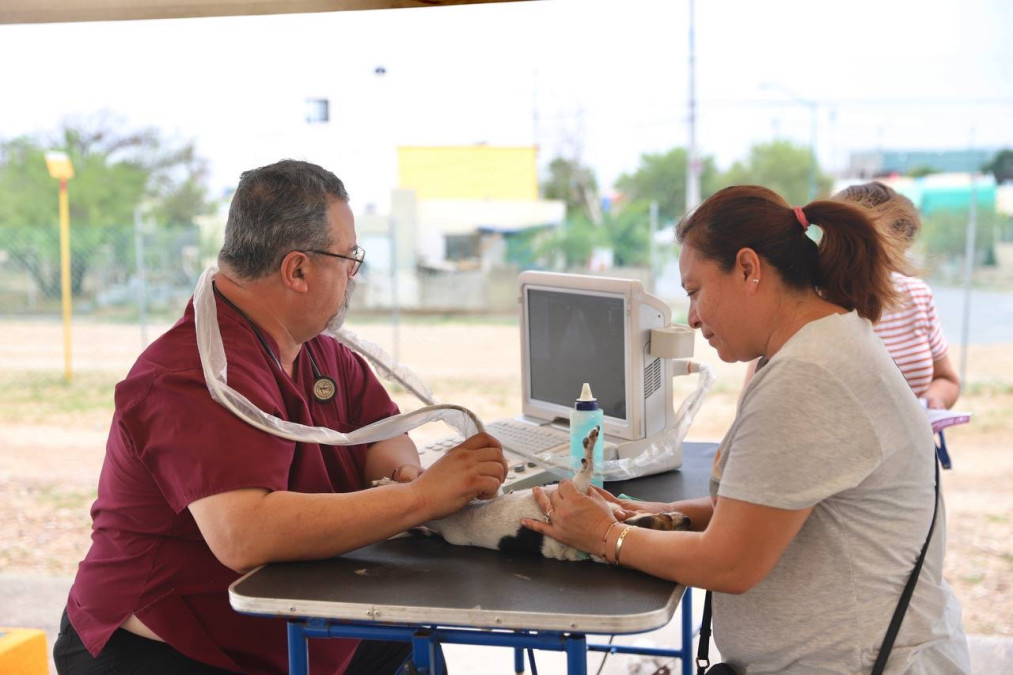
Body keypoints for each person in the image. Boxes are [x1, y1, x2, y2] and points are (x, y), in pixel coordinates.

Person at [54, 159, 508, 674]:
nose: (352, 274)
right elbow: (245, 537)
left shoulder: (315, 347)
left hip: (296, 622)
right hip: (172, 651)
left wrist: (399, 473)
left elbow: (382, 430)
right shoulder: (191, 374)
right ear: (297, 270)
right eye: (349, 257)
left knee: (414, 644)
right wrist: (419, 499)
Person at [523, 185, 970, 673]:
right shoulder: (822, 345)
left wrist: (606, 537)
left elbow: (729, 563)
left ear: (748, 269)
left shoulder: (810, 375)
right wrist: (658, 513)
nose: (692, 318)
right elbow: (766, 508)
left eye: (695, 291)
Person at [835, 181, 960, 409]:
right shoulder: (808, 303)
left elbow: (947, 379)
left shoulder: (917, 295)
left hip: (914, 444)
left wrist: (935, 400)